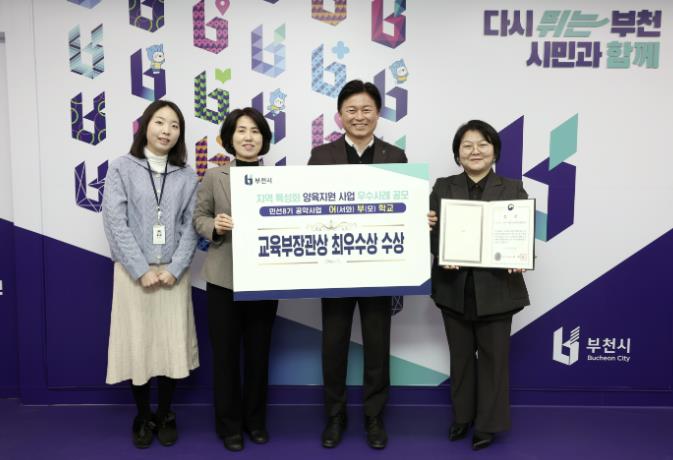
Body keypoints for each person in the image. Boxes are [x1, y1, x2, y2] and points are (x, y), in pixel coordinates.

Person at [308, 79, 407, 450]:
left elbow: (404, 209)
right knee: (333, 344)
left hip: (379, 268)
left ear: (378, 114)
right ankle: (335, 415)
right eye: (351, 110)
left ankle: (374, 415)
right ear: (340, 115)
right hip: (333, 267)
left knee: (377, 344)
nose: (359, 116)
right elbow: (307, 209)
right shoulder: (322, 156)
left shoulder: (395, 157)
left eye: (367, 109)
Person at [102, 99, 199, 449]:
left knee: (171, 345)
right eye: (160, 122)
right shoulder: (121, 168)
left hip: (173, 274)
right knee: (139, 344)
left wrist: (175, 268)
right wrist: (140, 269)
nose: (166, 130)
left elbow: (192, 225)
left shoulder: (187, 175)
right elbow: (114, 221)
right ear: (145, 126)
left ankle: (165, 413)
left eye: (174, 125)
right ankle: (143, 415)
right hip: (133, 276)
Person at [429, 120, 530, 450]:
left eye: (483, 144)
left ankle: (488, 424)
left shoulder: (513, 189)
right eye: (467, 145)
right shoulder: (443, 187)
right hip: (453, 287)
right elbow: (431, 235)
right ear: (457, 153)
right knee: (460, 358)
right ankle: (462, 416)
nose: (475, 151)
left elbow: (521, 234)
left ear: (494, 151)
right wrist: (435, 241)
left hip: (497, 289)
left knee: (493, 360)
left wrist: (521, 255)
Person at [193, 107, 278, 452]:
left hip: (264, 280)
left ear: (264, 139)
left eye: (255, 131)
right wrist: (214, 226)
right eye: (241, 130)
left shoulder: (276, 179)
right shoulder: (215, 176)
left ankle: (255, 422)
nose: (248, 137)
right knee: (226, 357)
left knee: (259, 355)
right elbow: (198, 217)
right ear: (229, 138)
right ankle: (229, 426)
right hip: (223, 280)